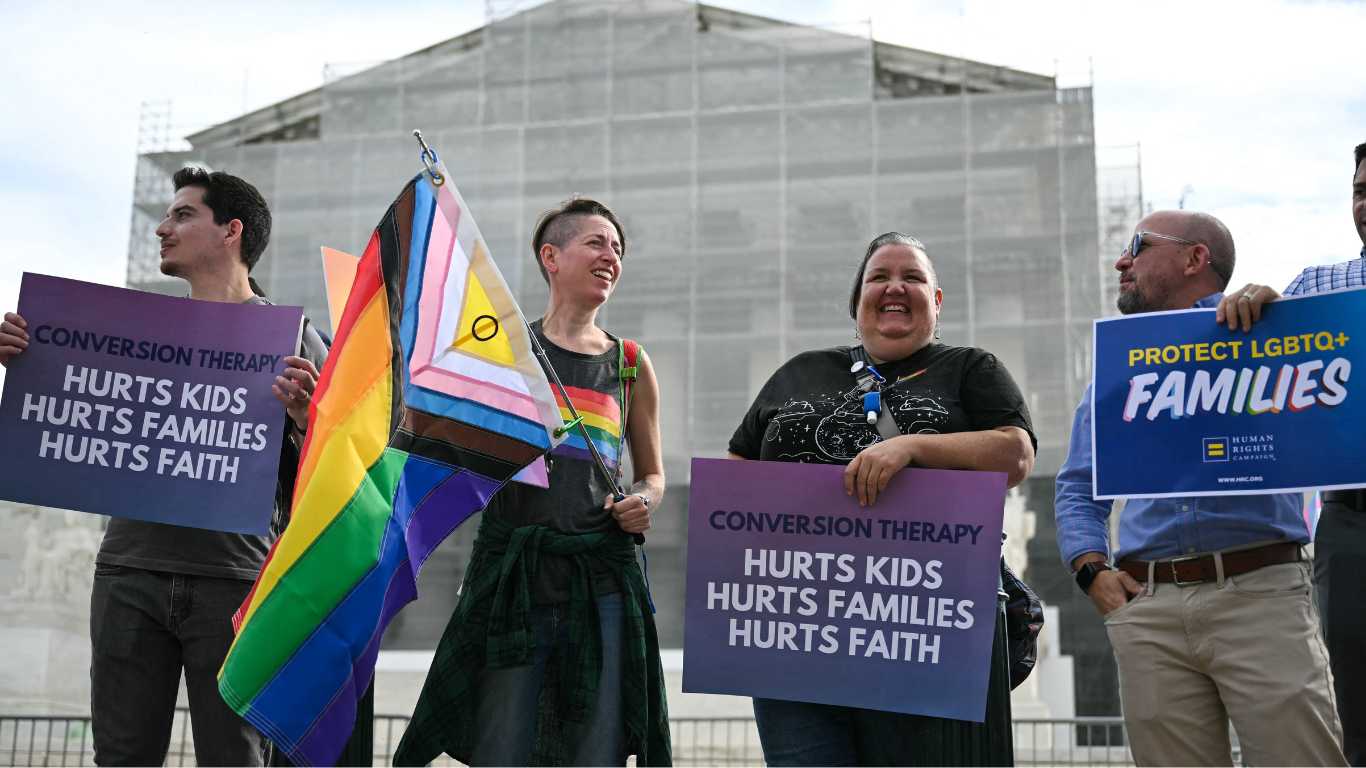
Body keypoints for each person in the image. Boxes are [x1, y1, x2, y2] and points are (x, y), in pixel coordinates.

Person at [0, 167, 326, 766]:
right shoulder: (117, 335)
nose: (161, 228)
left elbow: (339, 476)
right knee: (122, 758)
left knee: (234, 758)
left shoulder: (296, 341)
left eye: (181, 215)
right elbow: (73, 413)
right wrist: (28, 362)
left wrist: (307, 418)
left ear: (231, 231)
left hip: (237, 583)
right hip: (129, 573)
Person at [727, 231, 1036, 766]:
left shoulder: (971, 369)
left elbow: (1016, 454)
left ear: (936, 302)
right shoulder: (798, 372)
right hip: (797, 630)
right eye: (880, 277)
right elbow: (736, 473)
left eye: (913, 277)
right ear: (857, 301)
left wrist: (910, 447)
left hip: (924, 630)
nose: (895, 287)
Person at [1055, 210, 1345, 766]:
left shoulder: (1269, 334)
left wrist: (1280, 317)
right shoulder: (1117, 371)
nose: (1121, 260)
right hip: (1148, 607)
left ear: (1195, 258)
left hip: (1261, 595)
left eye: (1137, 246)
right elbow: (1077, 487)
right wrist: (1091, 572)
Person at [393, 198, 670, 767]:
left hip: (602, 585)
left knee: (598, 747)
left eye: (617, 249)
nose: (610, 257)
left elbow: (652, 474)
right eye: (596, 243)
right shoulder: (505, 353)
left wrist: (642, 500)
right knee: (504, 744)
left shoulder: (630, 364)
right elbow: (435, 438)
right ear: (551, 256)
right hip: (513, 580)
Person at [1212, 141, 1366, 765]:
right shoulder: (1319, 289)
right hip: (1352, 522)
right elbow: (1257, 379)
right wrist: (1255, 309)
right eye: (1361, 192)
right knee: (1351, 699)